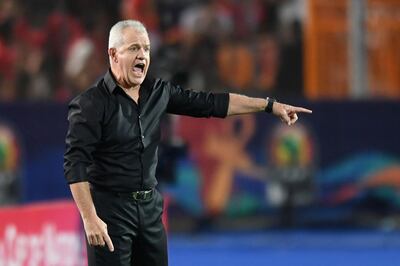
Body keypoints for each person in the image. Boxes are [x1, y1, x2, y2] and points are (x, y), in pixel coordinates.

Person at [63, 20, 312, 266]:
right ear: (113, 54)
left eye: (146, 48)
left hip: (150, 211)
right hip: (110, 213)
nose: (142, 55)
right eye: (134, 48)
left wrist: (269, 105)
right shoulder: (90, 104)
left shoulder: (158, 92)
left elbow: (213, 103)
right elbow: (75, 163)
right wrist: (89, 218)